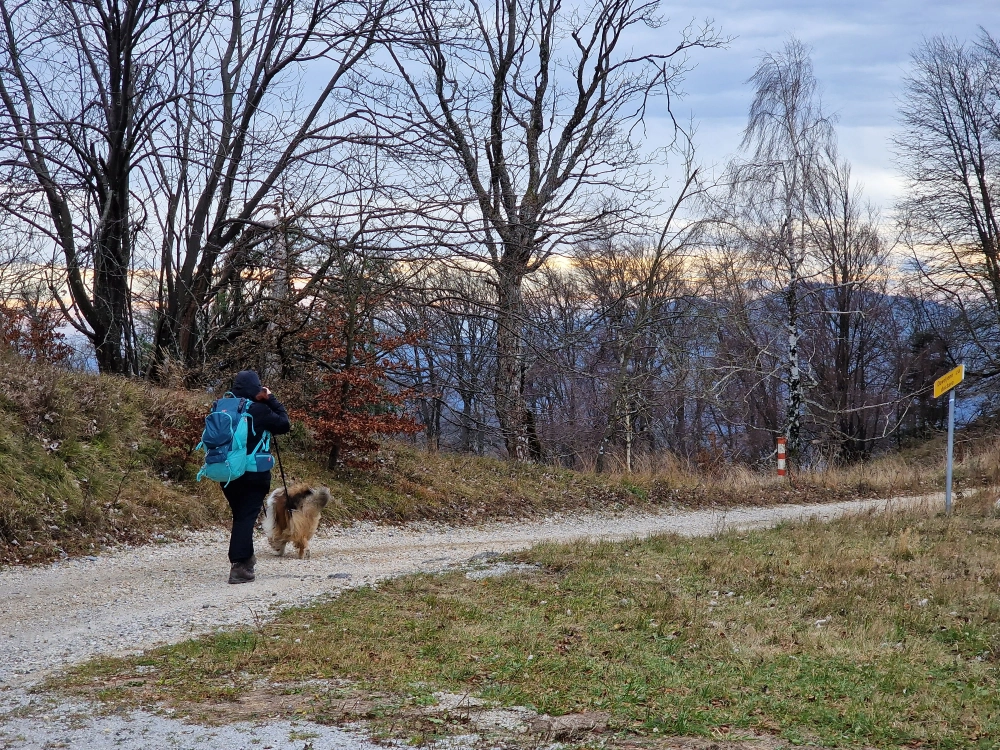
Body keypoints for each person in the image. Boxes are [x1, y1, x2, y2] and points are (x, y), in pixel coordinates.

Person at [222, 369, 290, 584]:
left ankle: (247, 559)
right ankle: (239, 566)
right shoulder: (259, 410)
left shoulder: (223, 406)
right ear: (256, 388)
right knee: (245, 517)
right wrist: (271, 399)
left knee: (241, 515)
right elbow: (284, 423)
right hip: (253, 474)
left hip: (226, 472)